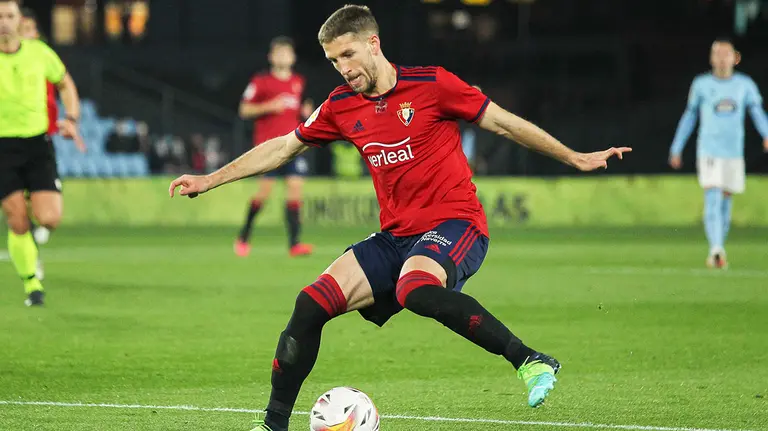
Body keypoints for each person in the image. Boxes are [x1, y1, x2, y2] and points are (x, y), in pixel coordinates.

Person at [169, 5, 630, 431]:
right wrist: (211, 179)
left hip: (457, 224)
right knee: (309, 305)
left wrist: (574, 157)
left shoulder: (433, 85)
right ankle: (272, 425)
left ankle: (529, 359)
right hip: (396, 237)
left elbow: (505, 123)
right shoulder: (340, 106)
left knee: (415, 288)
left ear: (374, 44)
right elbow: (283, 147)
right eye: (333, 61)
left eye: (348, 54)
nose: (343, 68)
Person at [0, 0, 85, 306]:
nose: (4, 22)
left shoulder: (39, 53)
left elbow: (65, 83)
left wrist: (72, 119)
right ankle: (32, 285)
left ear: (18, 19)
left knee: (49, 218)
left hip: (37, 144)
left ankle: (31, 224)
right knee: (17, 221)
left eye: (9, 16)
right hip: (2, 148)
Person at [669, 38, 768, 269]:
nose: (722, 58)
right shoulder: (702, 84)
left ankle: (718, 246)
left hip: (733, 153)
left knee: (725, 201)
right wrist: (677, 147)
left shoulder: (745, 85)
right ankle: (716, 248)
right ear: (711, 58)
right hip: (709, 151)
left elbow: (757, 112)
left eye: (726, 53)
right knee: (712, 197)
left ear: (735, 57)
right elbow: (690, 116)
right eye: (718, 54)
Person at [235, 36, 315, 258]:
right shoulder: (261, 81)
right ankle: (243, 236)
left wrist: (305, 113)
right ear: (271, 57)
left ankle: (294, 244)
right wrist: (269, 106)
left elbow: (295, 112)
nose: (283, 57)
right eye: (278, 53)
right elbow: (244, 110)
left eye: (286, 53)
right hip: (268, 147)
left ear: (293, 57)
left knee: (295, 191)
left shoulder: (298, 81)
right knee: (263, 193)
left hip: (293, 146)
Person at [19, 7, 61, 276]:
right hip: (12, 140)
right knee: (19, 209)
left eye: (29, 29)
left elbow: (65, 84)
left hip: (42, 138)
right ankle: (31, 257)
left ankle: (37, 230)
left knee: (47, 210)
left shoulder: (43, 60)